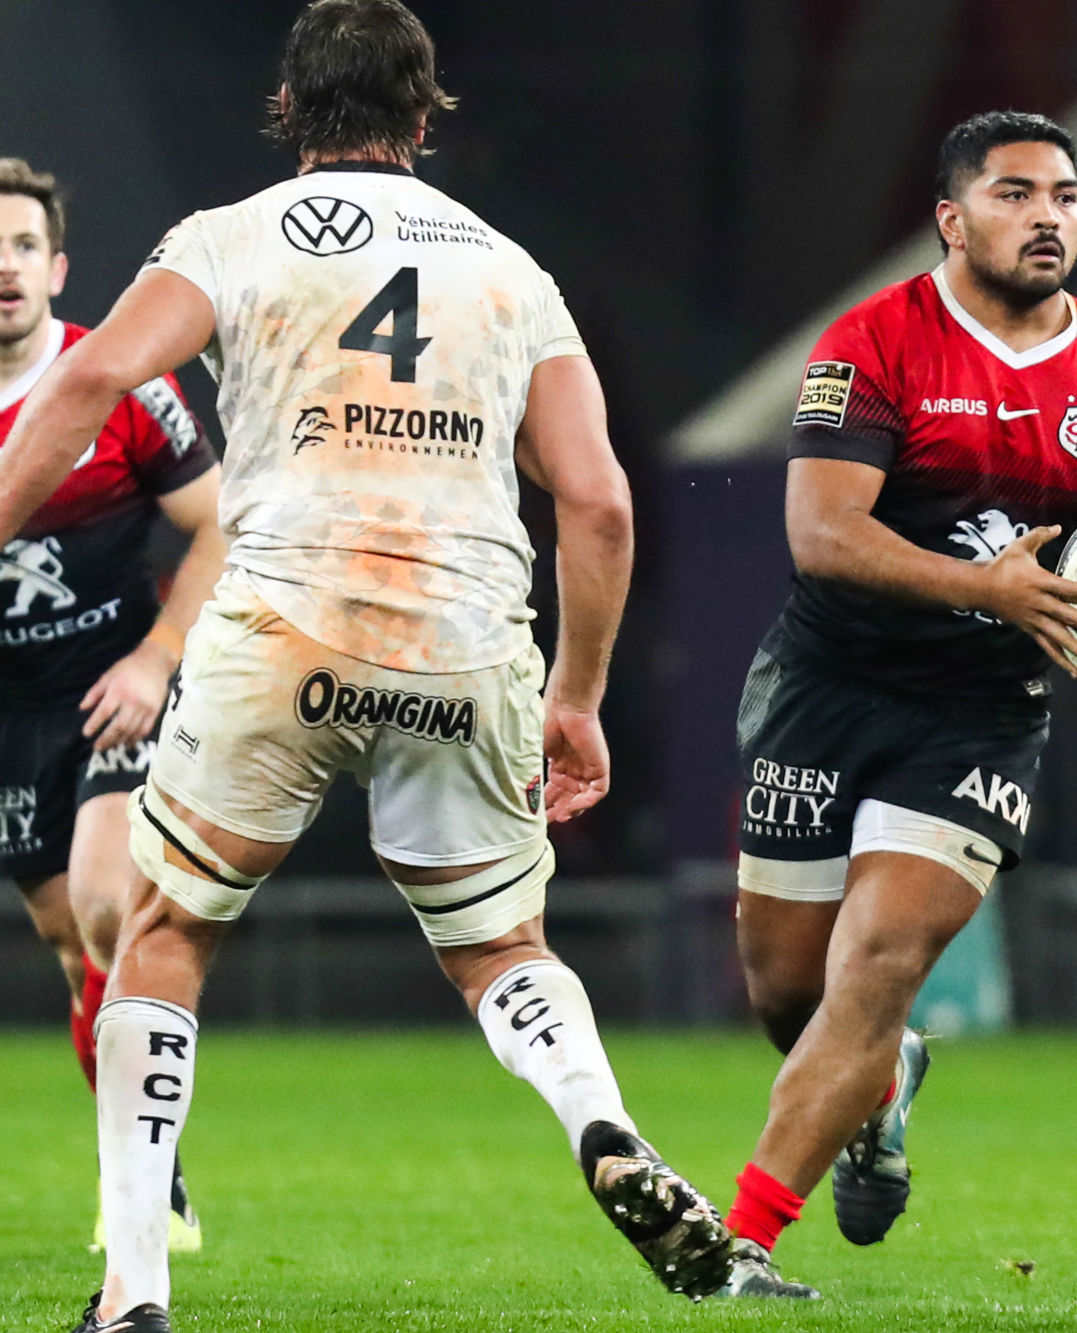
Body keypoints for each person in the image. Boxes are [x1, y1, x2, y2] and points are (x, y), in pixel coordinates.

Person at [0, 5, 731, 1329]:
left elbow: (88, 379)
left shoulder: (225, 239)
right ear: (426, 113)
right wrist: (573, 698)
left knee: (163, 937)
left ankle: (135, 1294)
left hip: (283, 626)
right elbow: (601, 504)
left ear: (287, 108)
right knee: (503, 947)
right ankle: (604, 1124)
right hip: (462, 638)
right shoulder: (514, 273)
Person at [718, 110, 1077, 1299]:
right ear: (951, 218)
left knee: (882, 957)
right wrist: (991, 585)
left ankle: (738, 1243)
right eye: (1013, 194)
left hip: (978, 712)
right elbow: (822, 535)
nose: (1048, 216)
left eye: (1064, 194)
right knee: (789, 991)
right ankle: (883, 1084)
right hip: (829, 687)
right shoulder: (873, 344)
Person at [0, 157, 223, 1255]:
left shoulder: (119, 382)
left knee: (103, 903)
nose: (4, 266)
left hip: (110, 693)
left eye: (23, 246)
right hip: (7, 713)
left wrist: (160, 656)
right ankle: (150, 1157)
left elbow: (220, 523)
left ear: (58, 266)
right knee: (64, 936)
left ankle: (140, 1186)